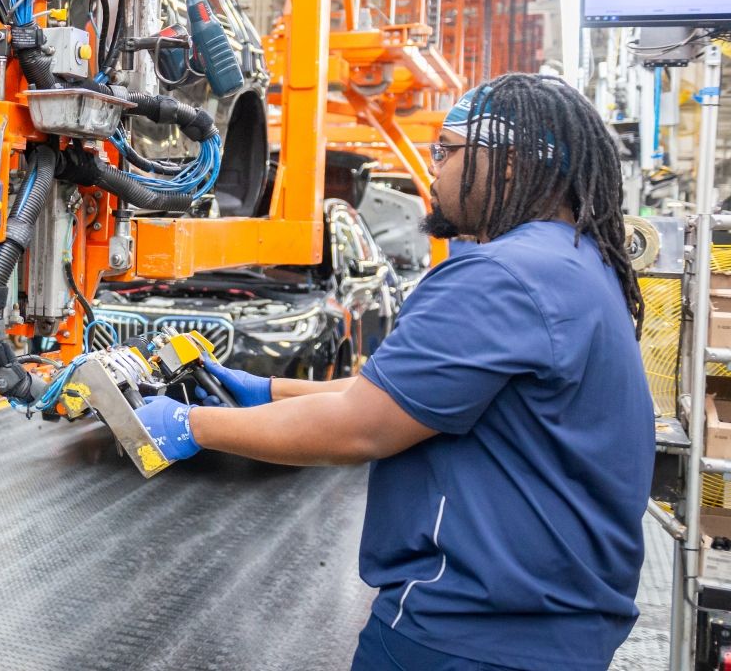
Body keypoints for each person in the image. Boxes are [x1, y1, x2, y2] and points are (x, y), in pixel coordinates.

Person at [137, 73, 653, 671]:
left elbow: (360, 427)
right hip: (551, 624)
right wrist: (267, 390)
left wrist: (189, 426)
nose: (435, 168)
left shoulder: (501, 277)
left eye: (447, 150)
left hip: (469, 632)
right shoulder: (572, 262)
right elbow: (407, 393)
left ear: (508, 164)